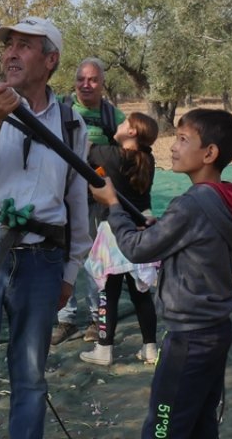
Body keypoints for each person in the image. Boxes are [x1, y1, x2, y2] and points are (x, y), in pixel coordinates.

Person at [0, 16, 91, 439]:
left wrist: (70, 270)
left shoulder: (71, 124)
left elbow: (76, 202)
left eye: (24, 46)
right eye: (9, 45)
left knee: (30, 379)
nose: (10, 52)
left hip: (42, 263)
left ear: (51, 60)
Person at [92, 108, 232, 439]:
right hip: (216, 330)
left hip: (188, 337)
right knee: (200, 423)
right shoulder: (225, 200)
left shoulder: (191, 204)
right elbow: (194, 240)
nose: (173, 146)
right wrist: (163, 228)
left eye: (183, 139)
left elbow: (137, 249)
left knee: (163, 428)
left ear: (209, 153)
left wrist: (113, 207)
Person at [53, 57, 128, 346]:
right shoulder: (61, 109)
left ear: (102, 84)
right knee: (64, 256)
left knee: (95, 261)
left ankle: (97, 320)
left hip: (97, 201)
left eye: (93, 79)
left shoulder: (114, 118)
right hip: (62, 197)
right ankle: (66, 319)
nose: (87, 84)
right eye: (81, 79)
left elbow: (131, 153)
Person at [79, 111, 160, 366]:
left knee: (109, 291)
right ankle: (150, 348)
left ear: (133, 131)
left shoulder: (110, 155)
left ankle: (104, 348)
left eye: (125, 123)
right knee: (140, 292)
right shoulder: (147, 159)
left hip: (114, 228)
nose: (119, 124)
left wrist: (86, 122)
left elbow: (84, 147)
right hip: (142, 226)